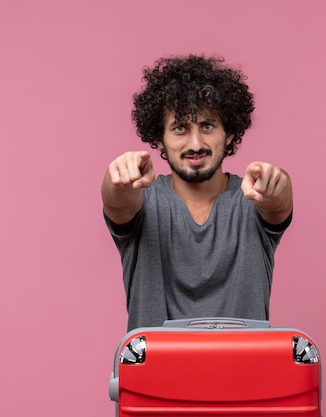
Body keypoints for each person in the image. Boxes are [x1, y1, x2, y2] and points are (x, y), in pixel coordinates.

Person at [101, 55, 293, 330]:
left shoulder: (251, 199)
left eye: (207, 126)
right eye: (180, 128)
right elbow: (117, 202)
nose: (195, 143)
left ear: (229, 133)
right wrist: (117, 176)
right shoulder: (144, 200)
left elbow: (278, 202)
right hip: (155, 372)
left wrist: (277, 181)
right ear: (159, 138)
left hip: (243, 371)